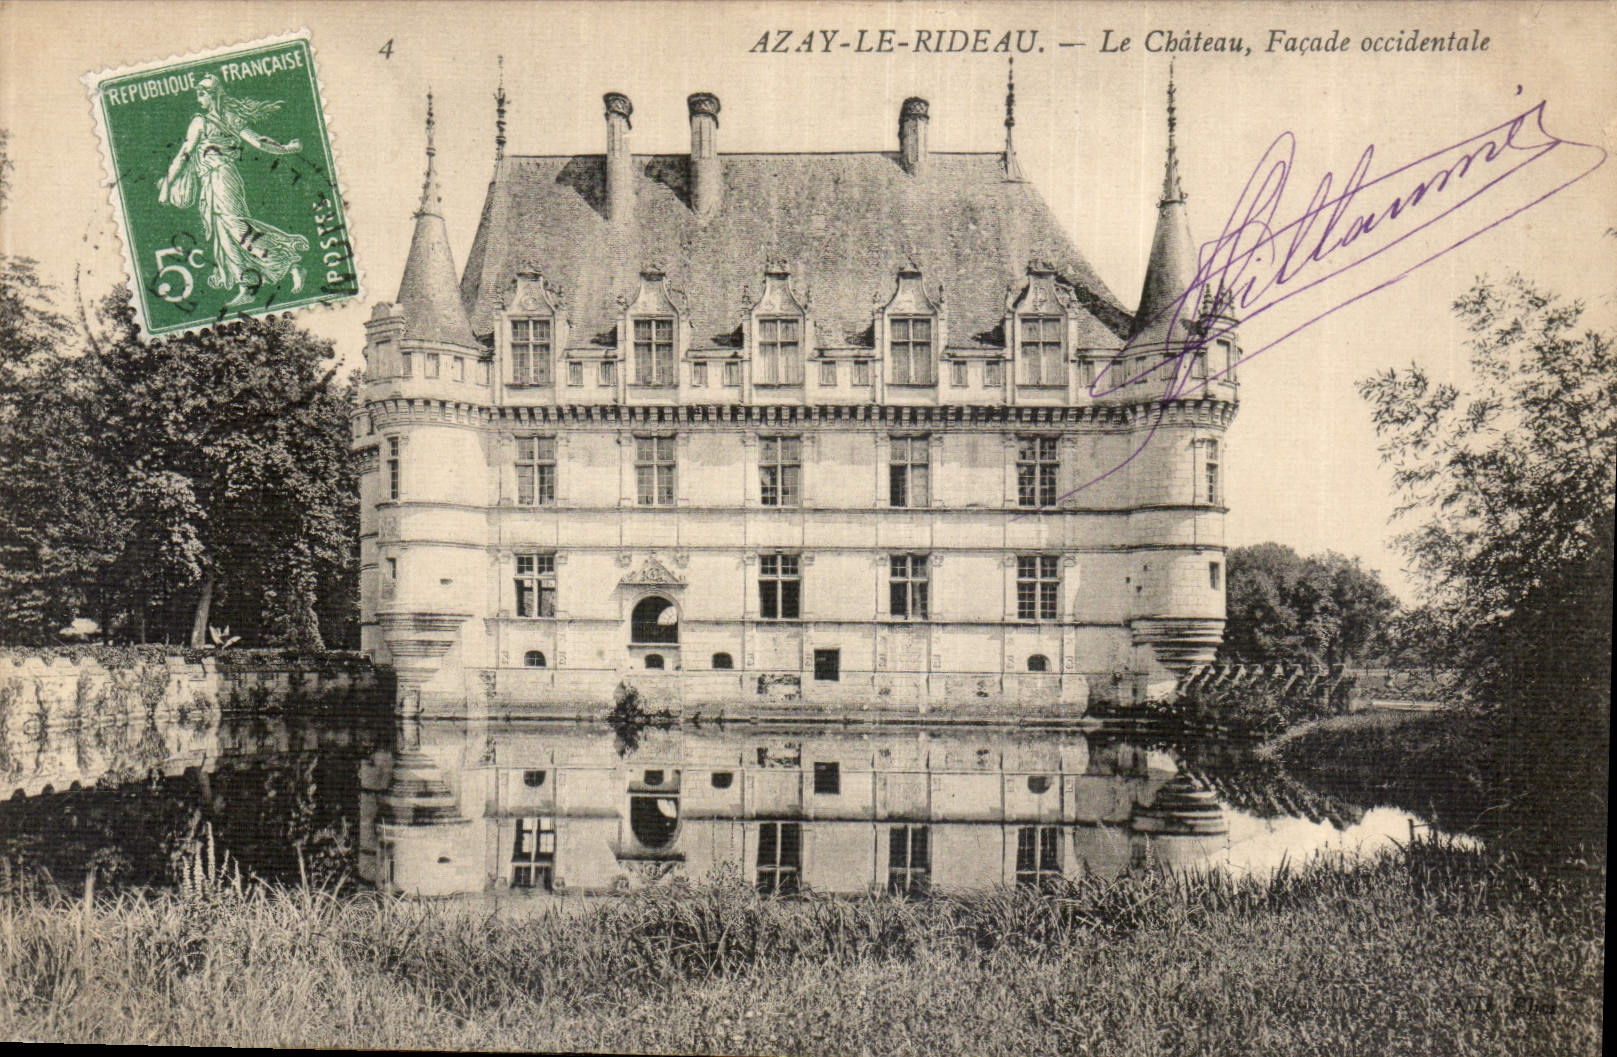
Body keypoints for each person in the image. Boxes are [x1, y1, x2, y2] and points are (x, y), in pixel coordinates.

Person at [157, 73, 308, 308]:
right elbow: (258, 141)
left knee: (237, 228)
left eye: (202, 94)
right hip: (212, 182)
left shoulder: (206, 121)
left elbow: (185, 155)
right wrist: (286, 149)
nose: (199, 100)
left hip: (222, 179)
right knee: (223, 235)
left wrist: (167, 185)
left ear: (213, 95)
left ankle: (289, 263)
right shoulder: (226, 118)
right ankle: (247, 284)